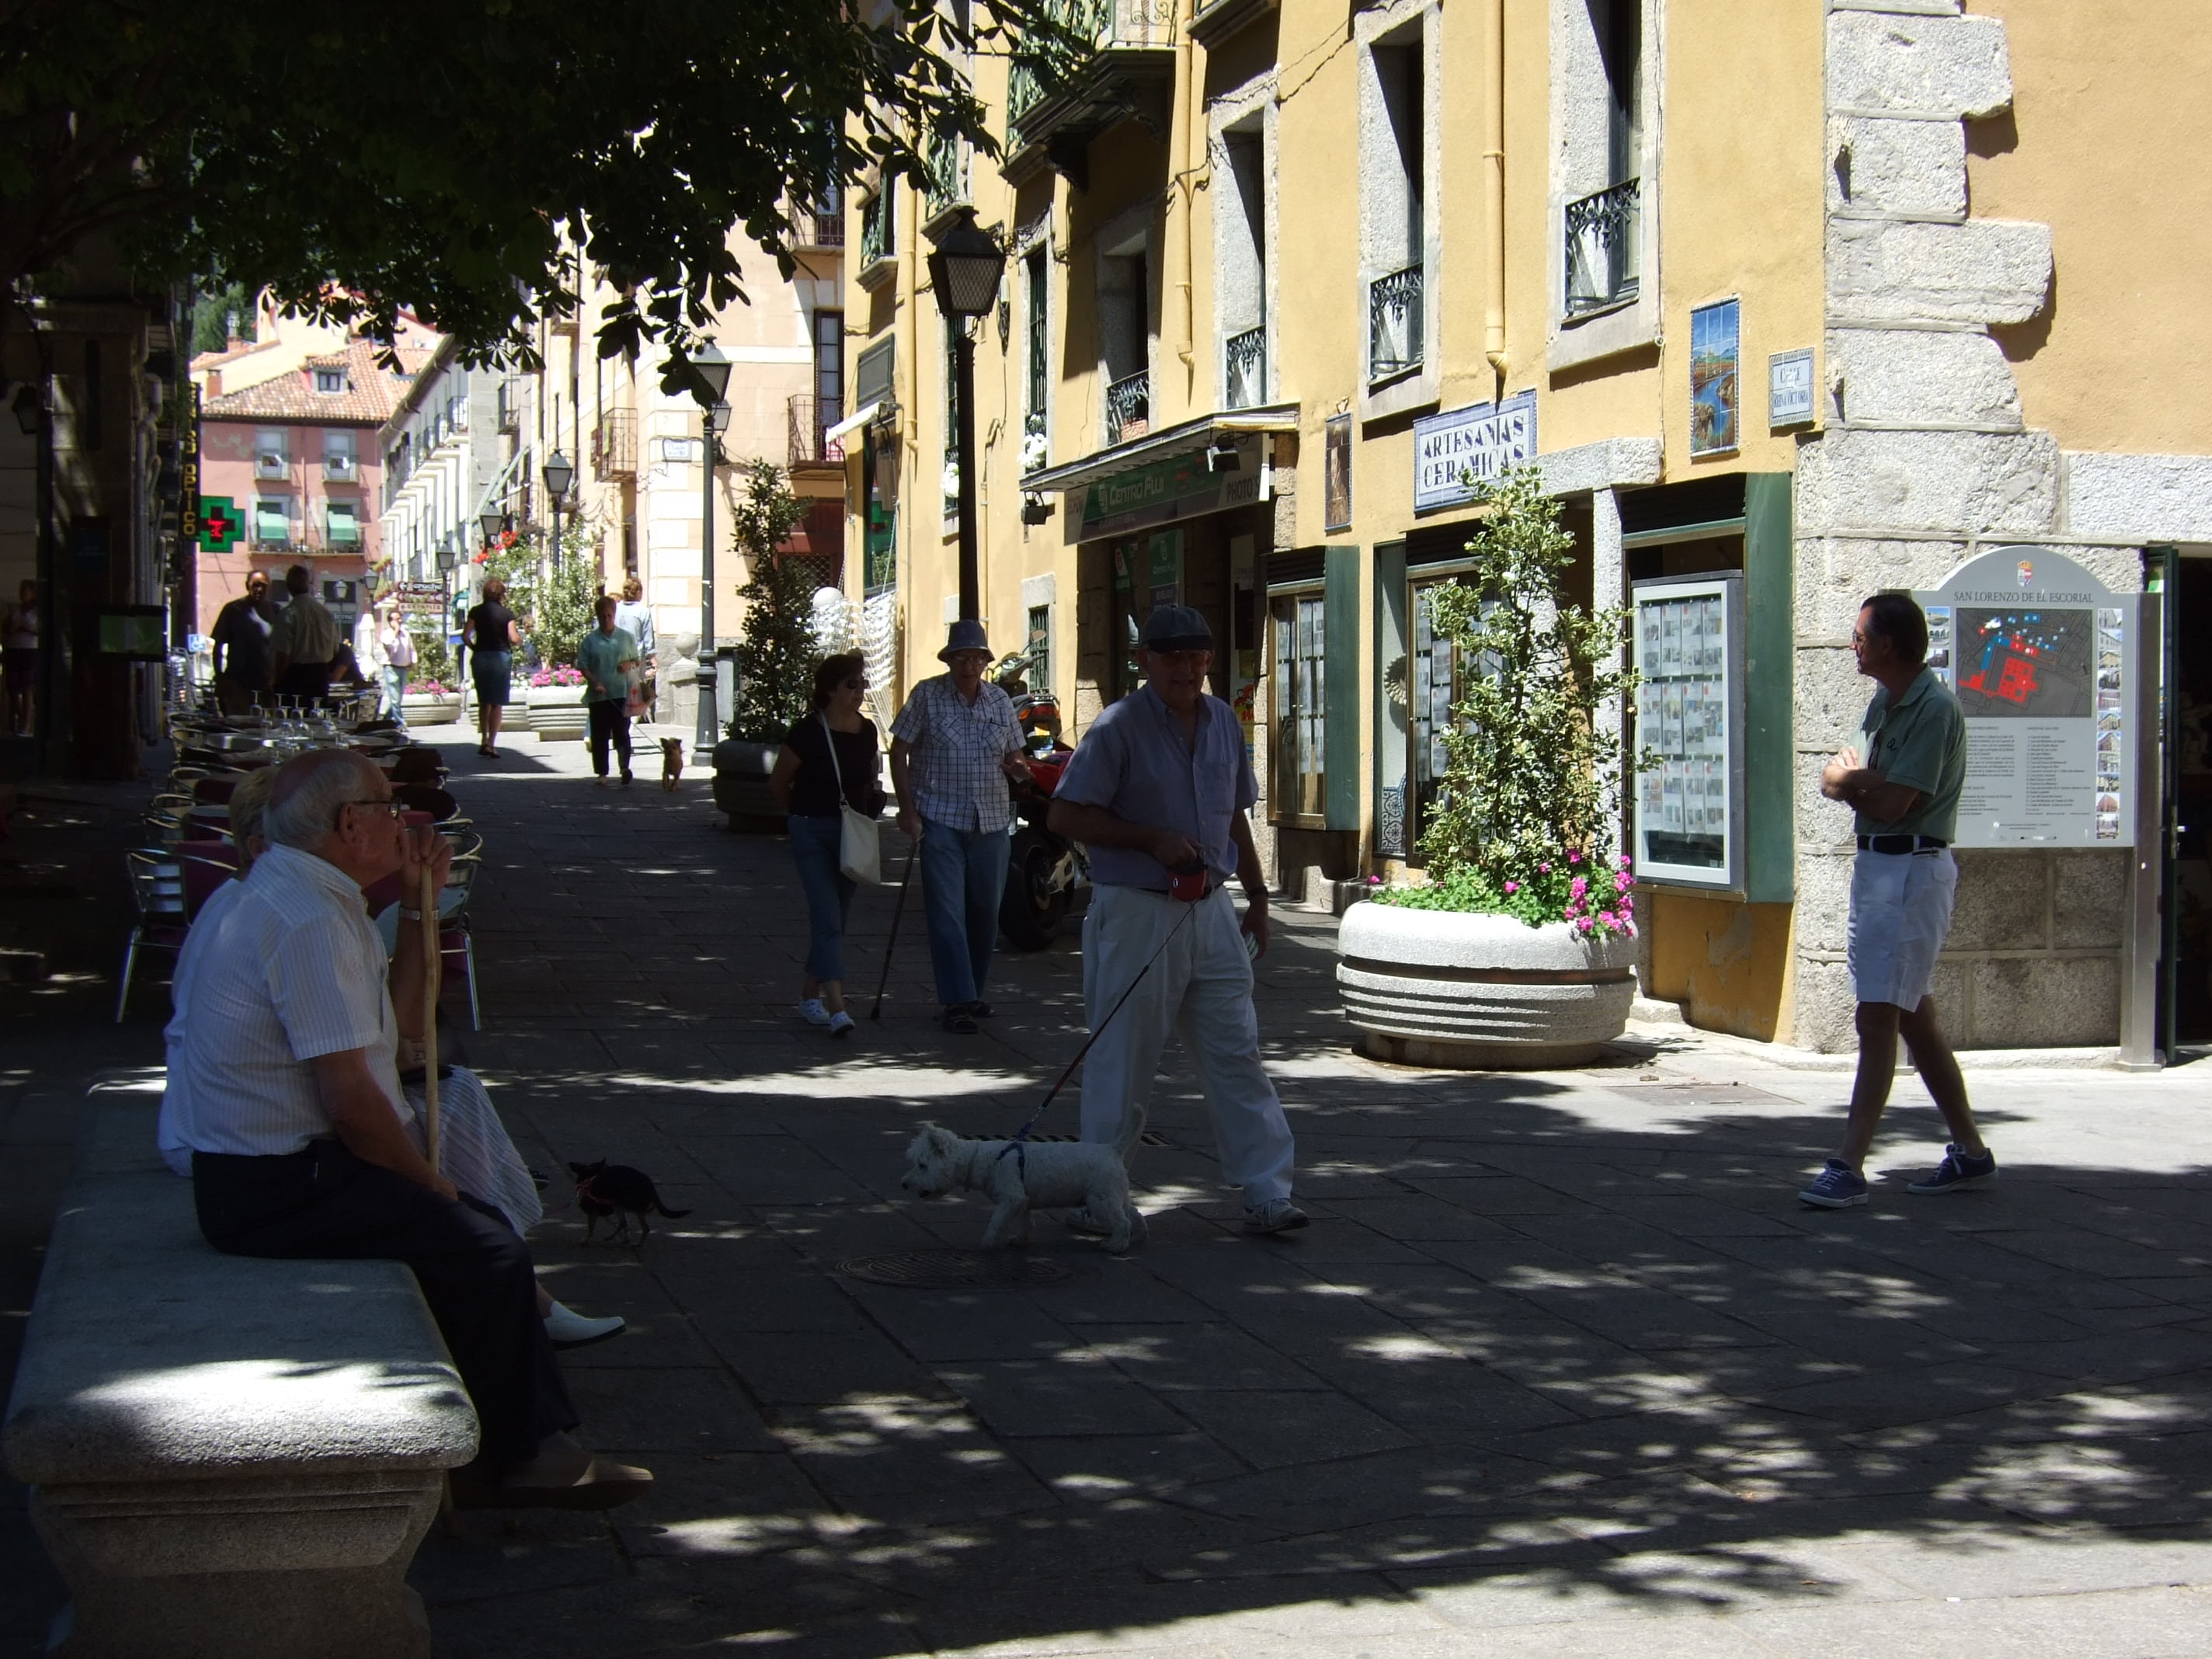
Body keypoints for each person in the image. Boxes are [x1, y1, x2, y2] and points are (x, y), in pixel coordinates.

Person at [161, 749, 647, 1508]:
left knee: (480, 1229)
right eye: (388, 806)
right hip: (272, 1182)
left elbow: (395, 1026)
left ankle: (522, 1438)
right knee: (484, 1246)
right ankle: (521, 1457)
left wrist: (421, 899)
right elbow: (352, 1102)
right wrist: (430, 1185)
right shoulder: (306, 917)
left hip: (273, 1169)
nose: (405, 821)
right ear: (350, 825)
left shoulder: (304, 895)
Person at [1046, 605, 1306, 1236]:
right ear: (1145, 661)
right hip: (1137, 909)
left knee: (1236, 1050)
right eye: (1171, 657)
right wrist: (1149, 839)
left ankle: (1268, 1192)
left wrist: (1258, 898)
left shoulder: (1223, 722)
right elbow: (1065, 816)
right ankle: (1098, 1198)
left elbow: (1234, 815)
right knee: (1122, 1059)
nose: (1185, 669)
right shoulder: (1117, 727)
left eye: (1196, 657)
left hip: (1211, 908)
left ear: (1209, 660)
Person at [1799, 591, 1995, 1209]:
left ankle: (1849, 1164)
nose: (1852, 644)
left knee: (1878, 1014)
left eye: (1860, 636)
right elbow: (1837, 779)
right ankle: (1971, 1150)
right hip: (1879, 868)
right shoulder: (1884, 702)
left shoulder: (1934, 709)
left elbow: (1890, 802)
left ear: (1888, 643)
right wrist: (1860, 781)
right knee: (1912, 1015)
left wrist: (1854, 782)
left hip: (1913, 868)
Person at [891, 620, 1029, 1034]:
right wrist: (907, 809)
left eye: (977, 659)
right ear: (949, 660)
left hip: (991, 820)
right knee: (947, 912)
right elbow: (899, 750)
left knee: (986, 910)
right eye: (962, 658)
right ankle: (956, 1000)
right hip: (940, 818)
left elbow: (1017, 755)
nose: (969, 666)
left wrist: (1019, 769)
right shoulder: (927, 695)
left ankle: (973, 992)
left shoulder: (999, 700)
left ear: (986, 662)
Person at [770, 653, 883, 1041]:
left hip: (850, 833)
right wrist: (800, 816)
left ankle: (808, 995)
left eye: (862, 684)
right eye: (851, 684)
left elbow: (868, 780)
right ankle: (837, 1006)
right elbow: (778, 783)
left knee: (836, 919)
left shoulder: (867, 731)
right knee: (827, 915)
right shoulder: (806, 732)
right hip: (811, 832)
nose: (859, 691)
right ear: (830, 689)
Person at [577, 596, 638, 786]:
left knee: (622, 732)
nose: (606, 619)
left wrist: (628, 664)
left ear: (614, 614)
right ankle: (602, 773)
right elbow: (583, 665)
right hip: (599, 694)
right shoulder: (590, 640)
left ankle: (625, 768)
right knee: (600, 735)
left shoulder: (626, 637)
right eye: (602, 616)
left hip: (621, 692)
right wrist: (594, 682)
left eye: (609, 615)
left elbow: (637, 661)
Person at [464, 579, 522, 758]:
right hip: (500, 657)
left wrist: (475, 648)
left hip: (481, 657)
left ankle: (483, 739)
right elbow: (514, 638)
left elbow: (466, 636)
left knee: (484, 701)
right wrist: (520, 640)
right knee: (497, 703)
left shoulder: (476, 611)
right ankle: (491, 743)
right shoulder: (507, 613)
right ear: (501, 594)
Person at [268, 565, 340, 703]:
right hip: (320, 676)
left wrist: (276, 682)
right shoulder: (325, 613)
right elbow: (335, 650)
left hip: (295, 677)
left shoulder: (288, 614)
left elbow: (283, 654)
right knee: (317, 713)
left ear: (288, 587)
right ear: (309, 585)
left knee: (294, 713)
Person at [211, 572, 278, 715]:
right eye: (255, 585)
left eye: (263, 586)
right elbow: (218, 646)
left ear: (269, 588)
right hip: (237, 683)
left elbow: (284, 648)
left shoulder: (276, 611)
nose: (259, 589)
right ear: (247, 586)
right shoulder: (233, 610)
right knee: (239, 723)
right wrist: (220, 676)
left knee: (266, 725)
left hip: (267, 684)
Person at [612, 576, 656, 720]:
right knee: (634, 694)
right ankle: (629, 724)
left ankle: (618, 720)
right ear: (638, 593)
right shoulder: (643, 611)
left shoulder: (616, 609)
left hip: (615, 656)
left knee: (618, 692)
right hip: (634, 658)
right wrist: (653, 660)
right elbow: (648, 639)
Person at [2, 578, 33, 736]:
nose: (23, 594)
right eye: (21, 591)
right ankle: (20, 718)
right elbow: (6, 626)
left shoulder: (36, 611)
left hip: (29, 650)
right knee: (12, 686)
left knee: (27, 686)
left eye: (26, 591)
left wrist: (25, 628)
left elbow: (40, 629)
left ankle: (26, 726)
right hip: (14, 648)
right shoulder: (16, 609)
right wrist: (10, 627)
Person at [378, 606, 416, 724]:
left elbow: (411, 649)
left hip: (403, 668)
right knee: (395, 697)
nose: (400, 621)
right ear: (390, 621)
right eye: (397, 619)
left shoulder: (406, 634)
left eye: (400, 618)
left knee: (398, 698)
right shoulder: (386, 634)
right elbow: (390, 647)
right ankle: (400, 722)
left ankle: (387, 719)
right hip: (391, 667)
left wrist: (413, 662)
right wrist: (395, 632)